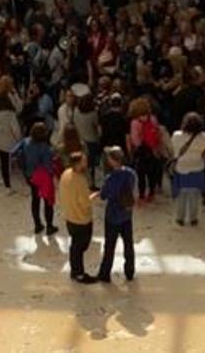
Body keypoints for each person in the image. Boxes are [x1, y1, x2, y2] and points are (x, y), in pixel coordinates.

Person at [170, 113, 205, 227]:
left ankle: (180, 218)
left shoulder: (176, 135)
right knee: (194, 194)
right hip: (197, 167)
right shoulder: (203, 137)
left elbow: (173, 149)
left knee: (182, 194)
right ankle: (193, 218)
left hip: (181, 168)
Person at [94, 146, 136, 283]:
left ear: (112, 161)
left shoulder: (110, 178)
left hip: (112, 216)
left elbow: (104, 196)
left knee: (110, 246)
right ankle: (129, 271)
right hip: (127, 214)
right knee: (128, 244)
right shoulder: (131, 173)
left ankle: (105, 273)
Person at [58, 152, 98, 284]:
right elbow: (85, 202)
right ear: (77, 163)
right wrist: (94, 196)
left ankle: (75, 271)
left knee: (75, 246)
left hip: (70, 216)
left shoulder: (65, 174)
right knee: (81, 246)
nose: (86, 164)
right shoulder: (80, 180)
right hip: (81, 219)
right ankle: (78, 273)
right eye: (84, 161)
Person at [18, 122, 59, 235]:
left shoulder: (25, 141)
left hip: (30, 175)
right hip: (43, 177)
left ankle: (37, 224)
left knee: (35, 200)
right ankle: (50, 226)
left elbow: (17, 152)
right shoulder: (44, 147)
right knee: (48, 201)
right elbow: (48, 166)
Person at [0, 77, 23, 189]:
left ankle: (5, 181)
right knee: (7, 164)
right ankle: (8, 186)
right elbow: (16, 130)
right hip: (9, 141)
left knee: (3, 163)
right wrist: (19, 139)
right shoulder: (10, 114)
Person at [127, 98, 165, 202]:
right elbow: (158, 134)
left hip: (142, 150)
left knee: (141, 174)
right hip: (153, 149)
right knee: (152, 172)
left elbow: (135, 140)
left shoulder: (135, 122)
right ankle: (152, 192)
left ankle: (142, 195)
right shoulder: (153, 118)